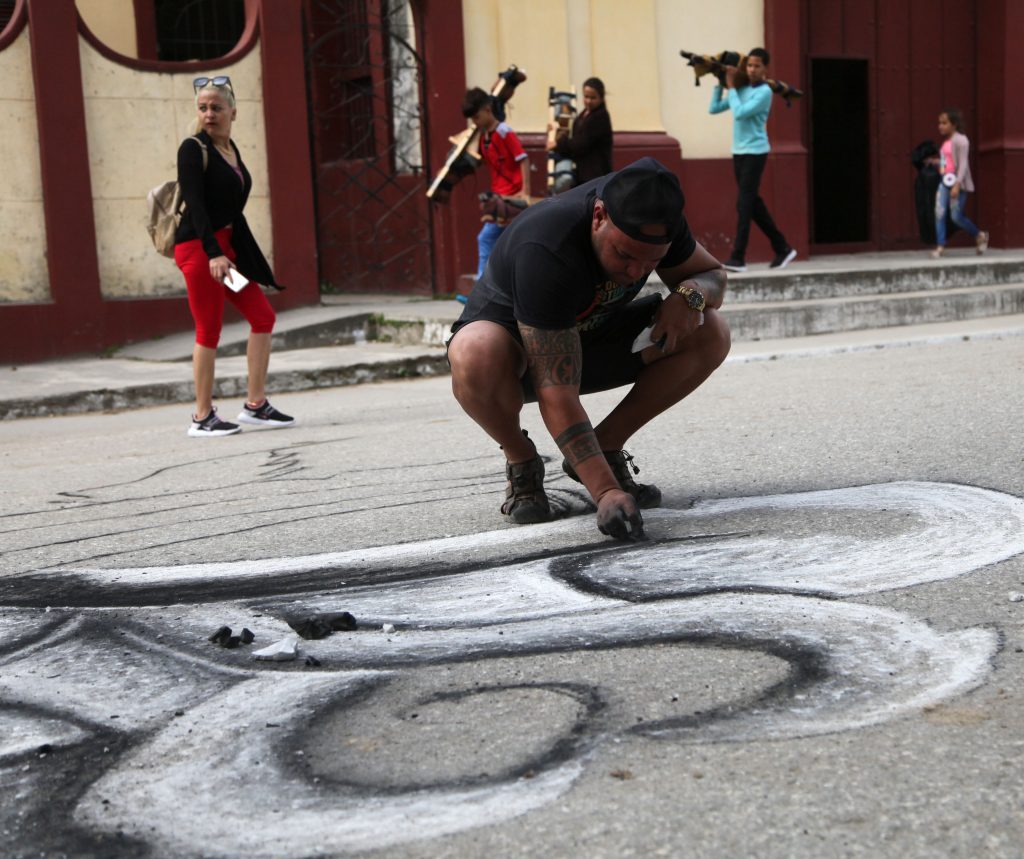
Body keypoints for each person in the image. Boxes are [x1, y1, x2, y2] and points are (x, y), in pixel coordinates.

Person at [446, 157, 729, 542]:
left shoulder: (659, 216)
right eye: (625, 255)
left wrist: (690, 295)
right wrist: (606, 493)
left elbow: (713, 274)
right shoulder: (547, 245)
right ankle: (522, 460)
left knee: (710, 329)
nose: (635, 272)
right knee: (475, 351)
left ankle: (607, 445)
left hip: (591, 339)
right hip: (515, 360)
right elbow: (555, 391)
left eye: (652, 262)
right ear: (599, 216)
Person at [174, 75, 295, 437]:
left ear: (233, 111)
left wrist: (233, 254)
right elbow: (194, 205)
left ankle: (255, 405)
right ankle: (201, 416)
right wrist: (213, 253)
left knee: (262, 316)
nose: (209, 114)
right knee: (208, 329)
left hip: (224, 253)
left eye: (216, 107)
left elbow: (230, 208)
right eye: (203, 107)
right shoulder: (193, 149)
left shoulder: (230, 150)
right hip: (200, 251)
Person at [709, 48, 796, 272]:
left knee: (745, 204)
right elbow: (714, 108)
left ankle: (738, 257)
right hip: (739, 151)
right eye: (749, 65)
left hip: (756, 152)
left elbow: (740, 113)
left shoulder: (764, 91)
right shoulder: (742, 88)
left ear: (765, 68)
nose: (752, 69)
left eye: (757, 66)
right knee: (752, 203)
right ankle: (782, 247)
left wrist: (731, 86)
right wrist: (720, 83)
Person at [460, 87, 531, 292]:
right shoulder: (484, 137)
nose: (475, 122)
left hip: (511, 197)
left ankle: (481, 288)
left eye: (477, 116)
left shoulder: (503, 131)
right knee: (502, 242)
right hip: (498, 195)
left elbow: (522, 158)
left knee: (487, 238)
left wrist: (524, 190)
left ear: (487, 109)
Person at [932, 108, 989, 259]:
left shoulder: (961, 140)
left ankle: (979, 235)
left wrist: (957, 184)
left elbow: (963, 164)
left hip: (958, 183)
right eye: (939, 123)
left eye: (944, 123)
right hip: (944, 182)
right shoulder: (945, 143)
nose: (940, 126)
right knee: (939, 212)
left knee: (956, 216)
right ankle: (940, 246)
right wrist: (936, 163)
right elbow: (947, 162)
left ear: (954, 124)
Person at [546, 76, 614, 186]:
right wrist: (556, 130)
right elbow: (574, 134)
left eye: (593, 98)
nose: (588, 101)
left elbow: (581, 143)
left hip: (595, 175)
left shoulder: (601, 117)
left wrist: (558, 144)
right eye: (586, 97)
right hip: (583, 173)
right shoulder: (586, 113)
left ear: (601, 98)